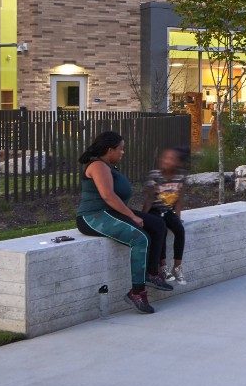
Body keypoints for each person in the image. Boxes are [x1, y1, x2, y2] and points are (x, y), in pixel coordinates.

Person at [75, 131, 173, 314]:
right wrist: (133, 217)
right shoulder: (97, 166)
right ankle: (137, 292)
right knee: (140, 238)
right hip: (93, 216)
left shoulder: (108, 166)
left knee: (158, 224)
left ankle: (152, 273)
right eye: (121, 149)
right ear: (110, 149)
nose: (122, 152)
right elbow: (107, 195)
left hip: (110, 213)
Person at [142, 147, 189, 285]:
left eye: (171, 159)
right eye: (165, 158)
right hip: (154, 210)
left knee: (179, 230)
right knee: (160, 228)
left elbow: (179, 200)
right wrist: (143, 217)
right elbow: (149, 199)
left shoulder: (180, 177)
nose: (167, 161)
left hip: (167, 210)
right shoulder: (155, 175)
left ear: (178, 163)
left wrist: (177, 218)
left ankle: (177, 267)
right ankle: (162, 266)